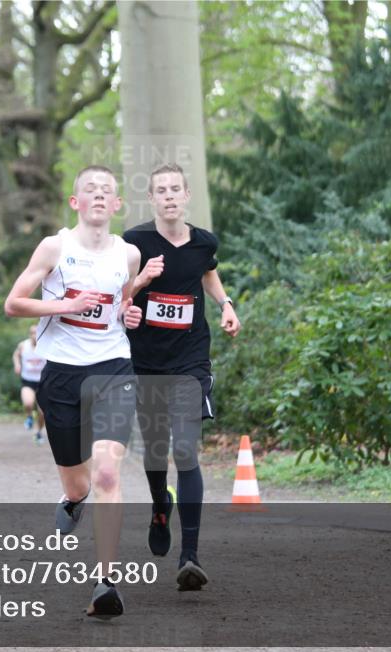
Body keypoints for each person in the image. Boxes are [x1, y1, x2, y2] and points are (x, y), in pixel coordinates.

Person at [4, 165, 142, 618]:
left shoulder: (129, 255)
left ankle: (106, 583)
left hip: (114, 367)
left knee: (107, 474)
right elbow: (13, 303)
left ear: (117, 204)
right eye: (90, 190)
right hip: (61, 373)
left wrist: (129, 314)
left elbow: (120, 306)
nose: (99, 196)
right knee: (80, 482)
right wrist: (65, 305)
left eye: (107, 191)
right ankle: (73, 500)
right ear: (75, 201)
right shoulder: (55, 246)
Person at [124, 163, 241, 592]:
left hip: (191, 360)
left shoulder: (203, 241)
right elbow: (118, 293)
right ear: (151, 198)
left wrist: (226, 303)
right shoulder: (134, 242)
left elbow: (206, 271)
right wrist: (141, 281)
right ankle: (160, 505)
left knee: (186, 451)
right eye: (161, 190)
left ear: (186, 195)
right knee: (155, 452)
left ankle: (189, 556)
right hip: (146, 362)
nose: (169, 196)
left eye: (176, 189)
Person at [13, 324, 47, 444]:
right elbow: (16, 355)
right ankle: (29, 416)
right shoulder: (23, 345)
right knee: (28, 403)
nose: (34, 335)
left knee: (42, 412)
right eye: (32, 333)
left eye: (36, 332)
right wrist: (17, 365)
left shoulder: (46, 345)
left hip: (43, 383)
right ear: (29, 334)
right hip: (28, 380)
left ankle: (38, 432)